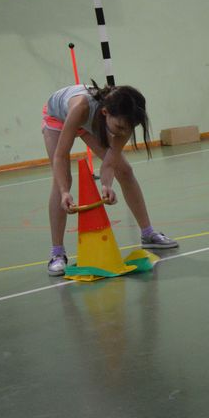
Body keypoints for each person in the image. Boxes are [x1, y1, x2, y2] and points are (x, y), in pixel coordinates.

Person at [42, 82, 178, 276]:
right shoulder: (81, 107)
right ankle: (57, 253)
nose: (122, 133)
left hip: (89, 121)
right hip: (58, 117)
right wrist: (64, 192)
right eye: (119, 127)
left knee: (125, 170)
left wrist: (106, 185)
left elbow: (110, 162)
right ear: (105, 112)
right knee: (61, 180)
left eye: (128, 129)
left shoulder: (126, 120)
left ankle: (148, 234)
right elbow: (60, 156)